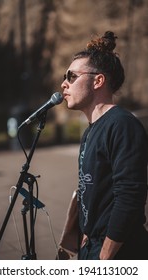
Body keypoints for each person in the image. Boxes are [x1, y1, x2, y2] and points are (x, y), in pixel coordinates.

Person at [58, 31, 148, 260]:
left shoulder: (122, 125)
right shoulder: (90, 131)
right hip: (92, 246)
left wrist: (105, 255)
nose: (64, 83)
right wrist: (86, 235)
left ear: (98, 80)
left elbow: (130, 197)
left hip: (119, 253)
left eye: (72, 76)